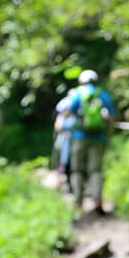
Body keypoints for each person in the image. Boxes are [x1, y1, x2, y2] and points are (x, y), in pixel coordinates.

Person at [66, 69, 116, 214]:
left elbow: (68, 112)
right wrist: (108, 136)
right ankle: (97, 200)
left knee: (77, 170)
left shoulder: (78, 94)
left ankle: (78, 202)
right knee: (96, 170)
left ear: (82, 81)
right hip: (99, 137)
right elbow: (111, 119)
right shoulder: (103, 95)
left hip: (79, 137)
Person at [53, 89, 77, 192]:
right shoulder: (79, 108)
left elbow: (57, 126)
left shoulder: (63, 107)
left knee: (65, 161)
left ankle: (70, 186)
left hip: (67, 140)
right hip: (77, 139)